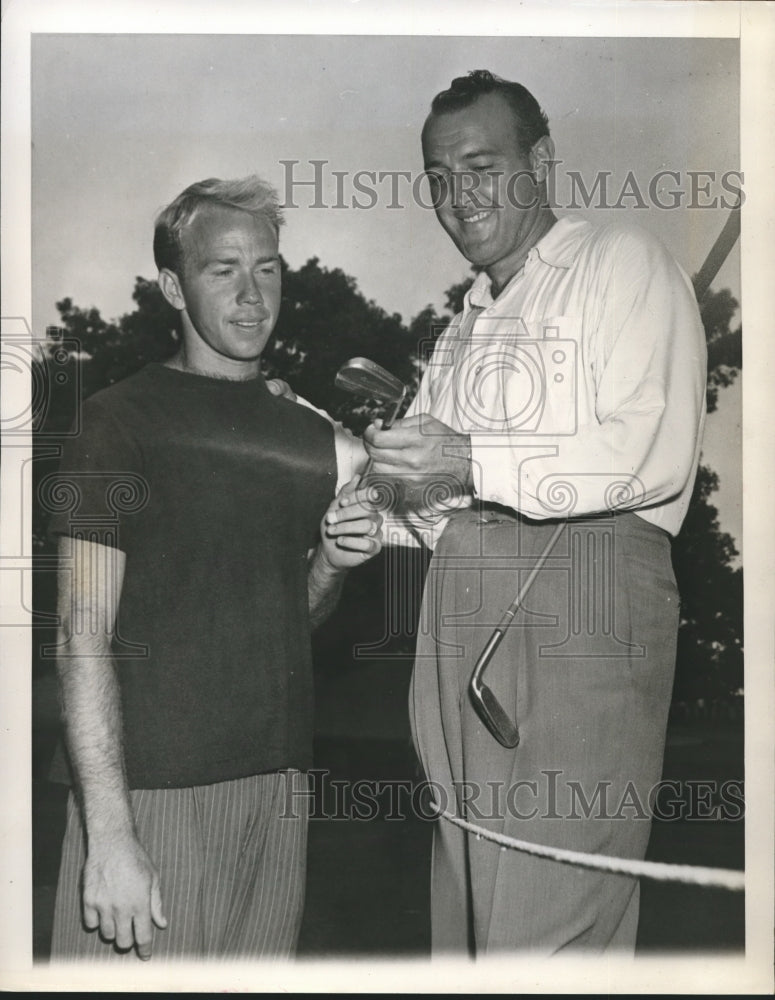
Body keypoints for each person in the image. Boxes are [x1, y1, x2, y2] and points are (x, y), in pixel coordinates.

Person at [362, 70, 707, 955]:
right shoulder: (461, 329)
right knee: (471, 929)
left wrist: (465, 458)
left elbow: (647, 453)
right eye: (439, 178)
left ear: (541, 160)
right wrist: (375, 502)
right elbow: (435, 505)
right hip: (458, 616)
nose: (458, 196)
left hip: (580, 601)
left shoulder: (620, 261)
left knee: (549, 927)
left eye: (480, 167)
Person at [47, 175, 381, 961]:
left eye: (266, 268)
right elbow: (79, 635)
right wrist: (110, 833)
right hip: (151, 794)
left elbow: (289, 619)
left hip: (277, 789)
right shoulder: (116, 422)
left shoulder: (304, 436)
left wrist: (330, 565)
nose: (251, 295)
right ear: (173, 286)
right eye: (222, 269)